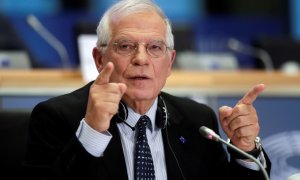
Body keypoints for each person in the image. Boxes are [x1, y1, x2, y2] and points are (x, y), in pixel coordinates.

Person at [23, 0, 271, 179]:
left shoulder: (197, 121)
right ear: (99, 60)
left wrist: (245, 149)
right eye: (126, 46)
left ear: (170, 62)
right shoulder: (56, 117)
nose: (141, 59)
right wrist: (92, 132)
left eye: (154, 47)